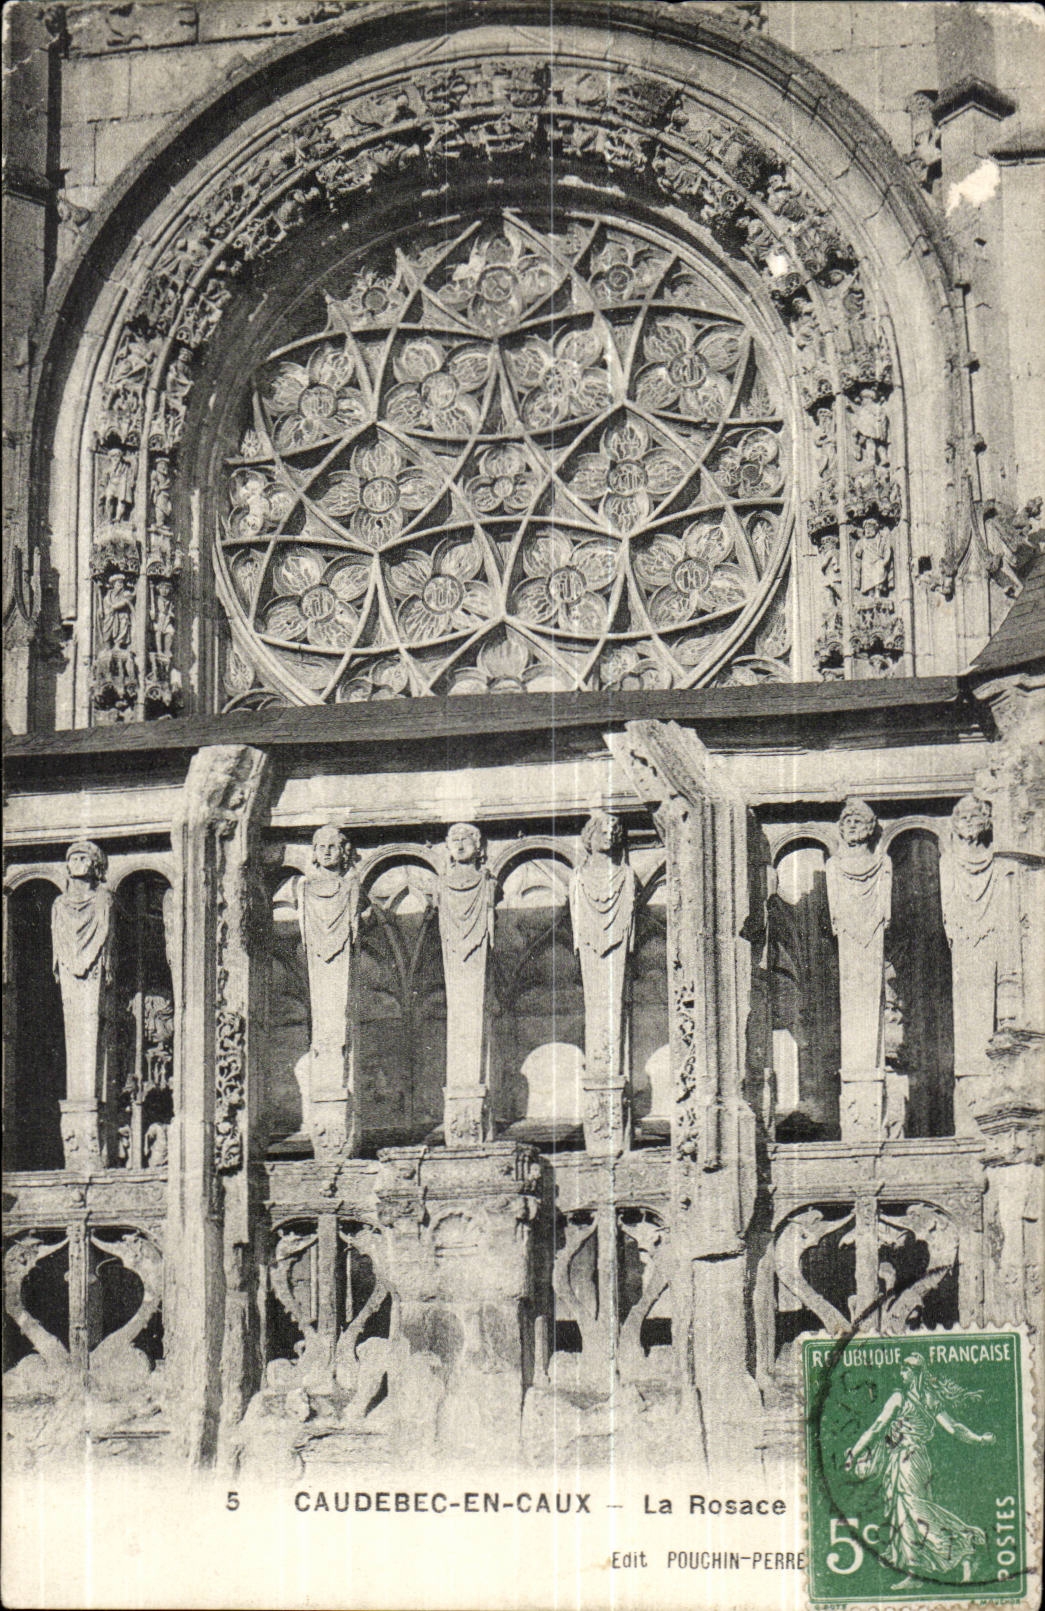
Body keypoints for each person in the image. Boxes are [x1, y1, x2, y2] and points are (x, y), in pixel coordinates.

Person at [844, 1353, 994, 1587]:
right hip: (915, 1459)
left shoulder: (899, 1398)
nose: (901, 1374)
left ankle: (953, 1550)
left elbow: (876, 1428)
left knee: (912, 1511)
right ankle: (938, 1558)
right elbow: (954, 1428)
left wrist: (854, 1451)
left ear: (915, 1373)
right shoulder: (930, 1399)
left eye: (905, 1370)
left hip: (907, 1460)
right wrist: (979, 1439)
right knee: (911, 1510)